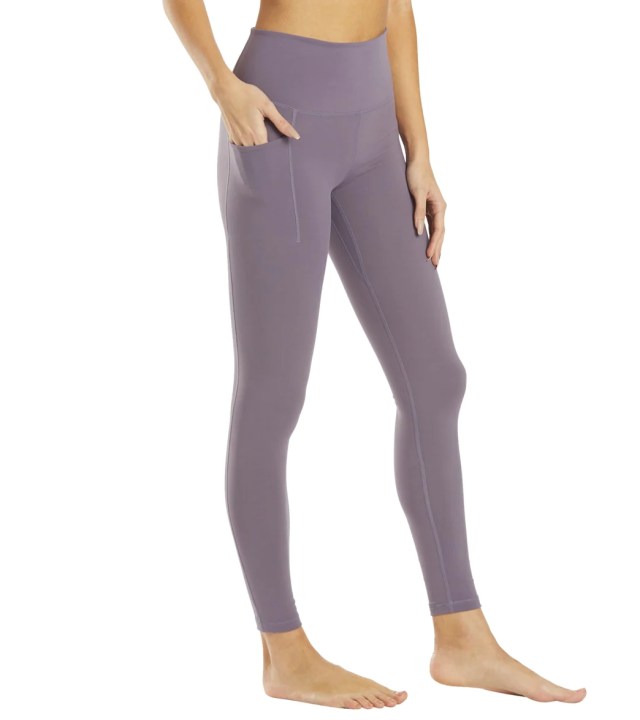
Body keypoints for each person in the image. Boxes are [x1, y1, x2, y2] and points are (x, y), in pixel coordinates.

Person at [163, 0, 587, 709]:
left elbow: (396, 6)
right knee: (272, 394)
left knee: (435, 378)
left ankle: (462, 638)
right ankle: (285, 654)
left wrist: (419, 151)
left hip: (372, 123)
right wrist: (220, 85)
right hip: (280, 114)